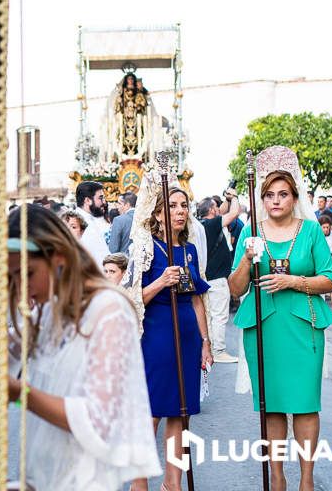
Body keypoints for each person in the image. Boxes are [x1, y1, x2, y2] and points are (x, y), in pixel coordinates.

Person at [7, 205, 161, 490]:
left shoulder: (108, 309)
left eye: (27, 273)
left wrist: (19, 392)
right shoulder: (42, 309)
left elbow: (97, 420)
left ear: (59, 256)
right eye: (13, 277)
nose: (21, 287)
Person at [228, 146, 332, 491]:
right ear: (262, 199)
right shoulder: (251, 231)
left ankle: (306, 480)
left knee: (305, 405)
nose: (276, 200)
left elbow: (329, 278)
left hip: (304, 328)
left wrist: (292, 281)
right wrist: (246, 258)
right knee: (270, 406)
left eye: (283, 194)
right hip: (264, 327)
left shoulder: (311, 231)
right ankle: (277, 477)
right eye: (270, 195)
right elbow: (235, 288)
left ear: (294, 197)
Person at [132, 187, 213, 491]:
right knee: (153, 410)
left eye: (184, 206)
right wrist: (160, 282)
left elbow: (196, 299)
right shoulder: (146, 248)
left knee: (180, 413)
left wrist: (206, 342)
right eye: (173, 206)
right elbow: (132, 297)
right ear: (157, 214)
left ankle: (172, 483)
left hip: (188, 335)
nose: (180, 211)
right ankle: (138, 484)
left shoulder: (190, 249)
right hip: (157, 335)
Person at [197, 188, 241, 363]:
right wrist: (235, 197)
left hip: (209, 277)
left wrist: (227, 197)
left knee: (212, 315)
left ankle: (213, 346)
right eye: (215, 208)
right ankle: (219, 349)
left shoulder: (201, 225)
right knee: (219, 316)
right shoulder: (212, 224)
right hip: (217, 279)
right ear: (211, 211)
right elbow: (234, 213)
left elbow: (223, 210)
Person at [75, 181, 111, 266]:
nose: (104, 202)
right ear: (87, 200)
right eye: (100, 198)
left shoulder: (90, 219)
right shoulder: (78, 223)